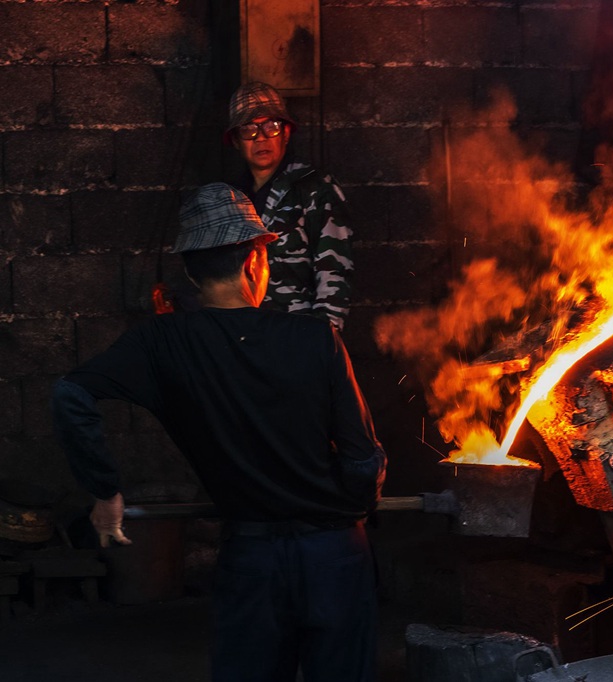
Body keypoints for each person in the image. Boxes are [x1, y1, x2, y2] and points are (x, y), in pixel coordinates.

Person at [51, 183, 386, 682]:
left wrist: (104, 489)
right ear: (256, 262)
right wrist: (360, 504)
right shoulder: (317, 337)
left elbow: (69, 396)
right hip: (335, 555)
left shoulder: (160, 343)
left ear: (190, 270)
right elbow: (362, 461)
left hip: (251, 560)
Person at [225, 80, 354, 332]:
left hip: (297, 333)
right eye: (249, 130)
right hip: (244, 335)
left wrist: (324, 338)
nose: (261, 137)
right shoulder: (230, 199)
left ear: (285, 133)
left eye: (271, 127)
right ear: (236, 141)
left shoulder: (315, 189)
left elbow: (335, 270)